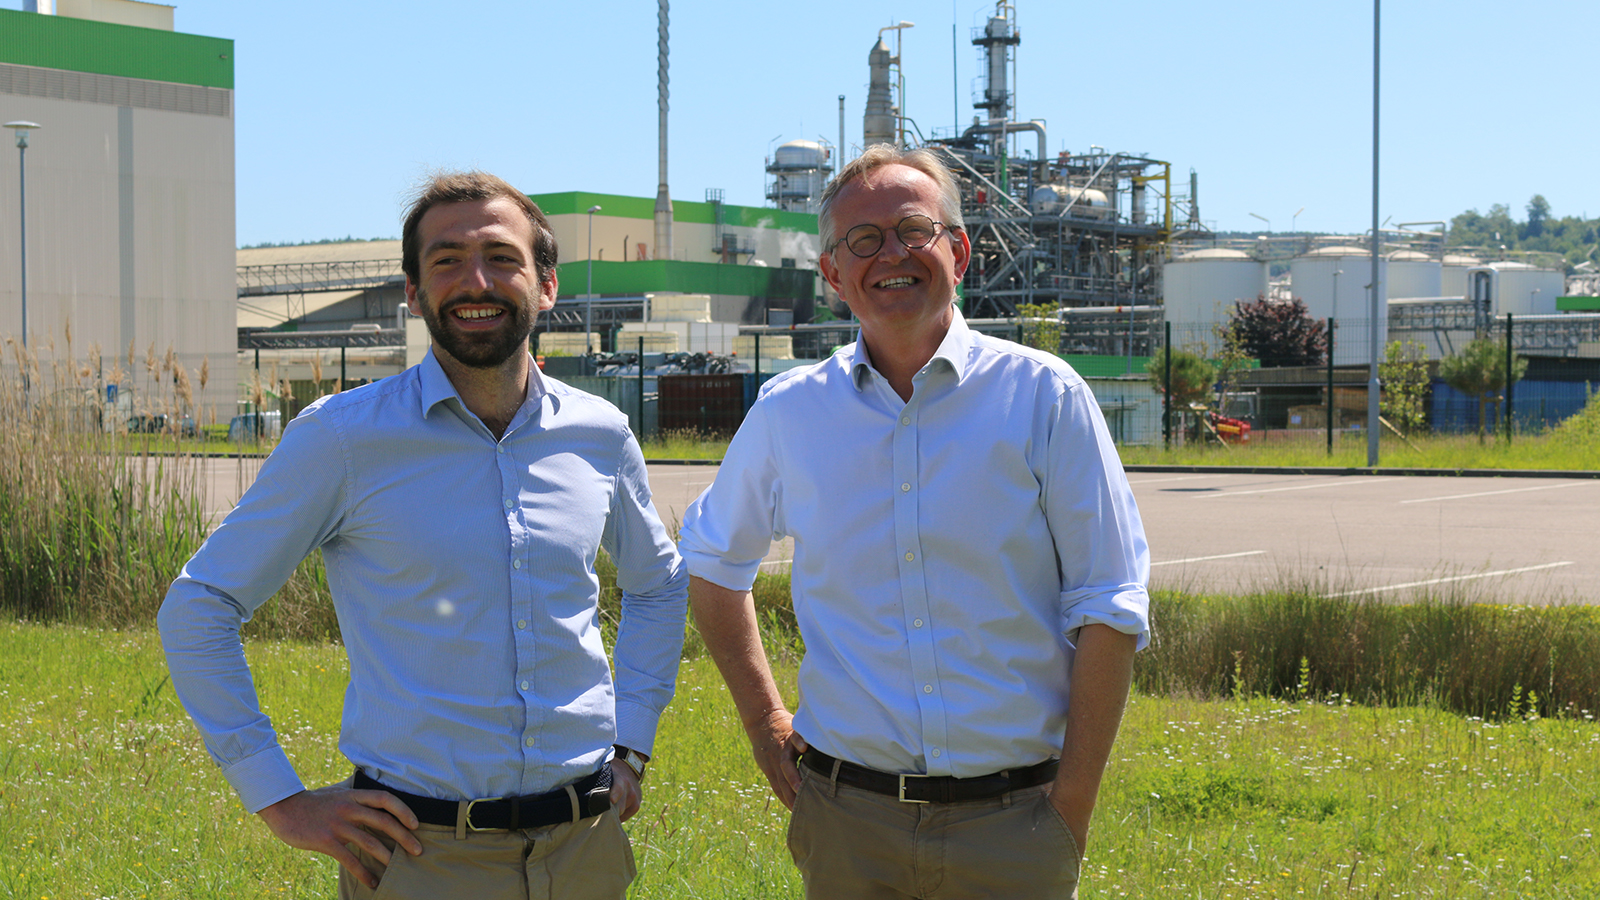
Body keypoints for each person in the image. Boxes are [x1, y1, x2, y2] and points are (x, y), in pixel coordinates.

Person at [158, 170, 687, 899]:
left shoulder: (600, 434)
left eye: (502, 258)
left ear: (547, 285)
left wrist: (633, 744)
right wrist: (280, 801)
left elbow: (659, 585)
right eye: (446, 261)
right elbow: (198, 607)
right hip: (420, 857)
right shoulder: (344, 440)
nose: (476, 280)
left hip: (584, 851)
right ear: (413, 292)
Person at [677, 145, 1150, 899]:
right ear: (833, 275)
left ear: (958, 251)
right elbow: (709, 563)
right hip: (847, 824)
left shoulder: (1042, 396)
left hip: (1016, 823)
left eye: (912, 230)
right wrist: (766, 718)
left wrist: (1072, 806)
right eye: (862, 241)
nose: (890, 254)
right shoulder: (791, 414)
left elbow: (1111, 604)